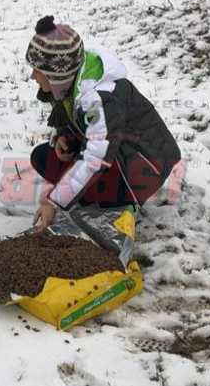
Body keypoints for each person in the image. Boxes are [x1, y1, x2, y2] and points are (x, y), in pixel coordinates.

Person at [26, 16, 181, 233]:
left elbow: (96, 158)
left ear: (56, 74)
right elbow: (74, 118)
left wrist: (53, 202)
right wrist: (64, 136)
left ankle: (124, 203)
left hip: (144, 167)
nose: (32, 76)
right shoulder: (72, 82)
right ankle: (95, 193)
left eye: (38, 70)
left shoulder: (100, 98)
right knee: (43, 156)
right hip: (119, 153)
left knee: (96, 181)